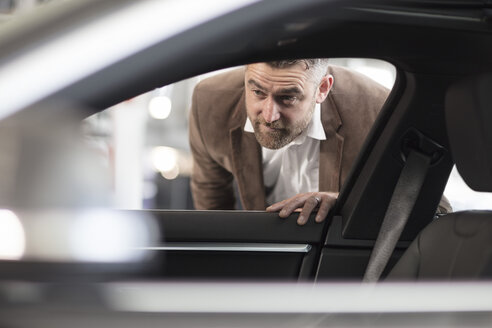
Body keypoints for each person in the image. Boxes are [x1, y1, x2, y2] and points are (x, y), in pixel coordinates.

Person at [189, 59, 389, 225]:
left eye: (287, 97)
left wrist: (344, 200)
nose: (269, 116)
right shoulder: (209, 103)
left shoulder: (377, 111)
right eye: (258, 92)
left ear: (322, 88)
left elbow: (398, 202)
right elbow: (212, 203)